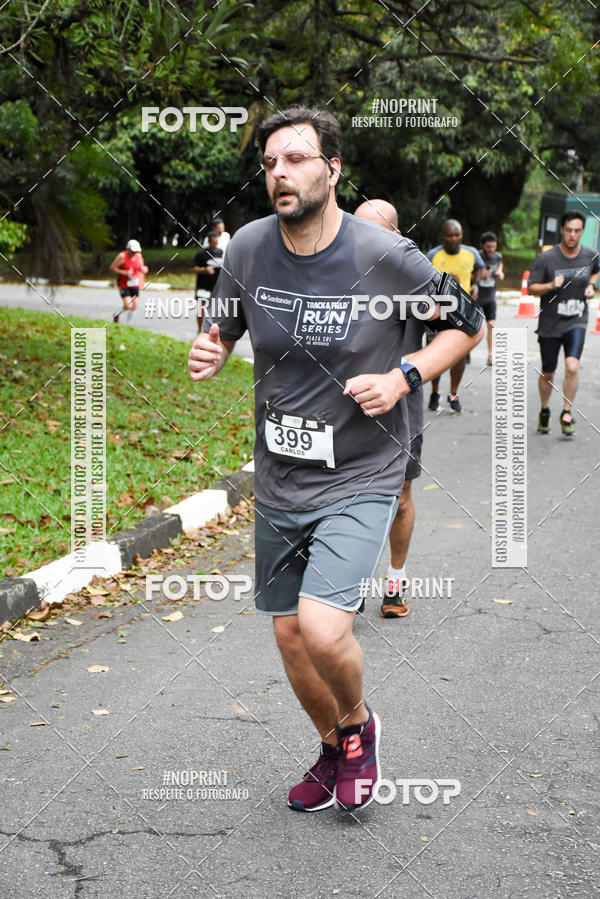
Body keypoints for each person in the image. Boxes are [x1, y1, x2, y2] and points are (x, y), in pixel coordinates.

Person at [188, 106, 483, 814]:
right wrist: (213, 347)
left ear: (333, 168)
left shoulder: (382, 254)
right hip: (281, 470)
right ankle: (336, 742)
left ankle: (360, 725)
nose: (279, 174)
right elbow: (224, 322)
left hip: (363, 468)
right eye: (268, 165)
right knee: (290, 634)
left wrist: (404, 376)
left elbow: (467, 324)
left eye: (294, 159)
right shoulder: (250, 247)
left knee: (322, 626)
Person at [354, 199, 422, 619]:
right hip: (344, 405)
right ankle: (350, 583)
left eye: (377, 232)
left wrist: (405, 379)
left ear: (396, 236)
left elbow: (459, 328)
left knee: (399, 497)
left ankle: (394, 584)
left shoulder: (414, 278)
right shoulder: (334, 271)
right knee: (346, 498)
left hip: (400, 407)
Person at [528, 211, 599, 436]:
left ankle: (567, 412)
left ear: (582, 232)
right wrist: (550, 284)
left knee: (572, 367)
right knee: (548, 372)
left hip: (576, 320)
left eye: (577, 230)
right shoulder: (546, 258)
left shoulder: (590, 255)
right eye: (568, 230)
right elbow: (531, 287)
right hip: (550, 323)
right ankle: (545, 409)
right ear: (562, 230)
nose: (572, 235)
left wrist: (591, 286)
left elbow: (595, 272)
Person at [426, 220, 484, 412]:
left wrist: (475, 284)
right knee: (435, 356)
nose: (453, 239)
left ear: (461, 235)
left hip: (463, 313)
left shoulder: (471, 253)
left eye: (457, 235)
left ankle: (453, 392)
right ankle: (435, 392)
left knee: (459, 357)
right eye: (449, 235)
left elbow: (479, 269)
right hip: (438, 314)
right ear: (443, 236)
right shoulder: (433, 255)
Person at [478, 231, 504, 365]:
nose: (491, 249)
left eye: (493, 246)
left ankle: (490, 355)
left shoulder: (498, 257)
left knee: (491, 325)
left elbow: (501, 271)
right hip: (475, 297)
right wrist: (481, 275)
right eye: (488, 246)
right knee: (472, 328)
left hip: (490, 297)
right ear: (482, 245)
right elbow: (469, 276)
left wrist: (500, 274)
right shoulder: (477, 256)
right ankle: (466, 353)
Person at [190, 230, 224, 333]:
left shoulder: (221, 252)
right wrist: (204, 269)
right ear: (208, 242)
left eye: (216, 242)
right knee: (202, 309)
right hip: (203, 286)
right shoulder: (201, 254)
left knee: (216, 310)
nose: (215, 244)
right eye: (213, 242)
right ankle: (199, 330)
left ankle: (212, 331)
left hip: (216, 286)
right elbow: (192, 269)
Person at [109, 239, 148, 325]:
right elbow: (112, 268)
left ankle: (128, 325)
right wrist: (124, 272)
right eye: (132, 251)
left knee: (134, 306)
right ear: (128, 249)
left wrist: (144, 269)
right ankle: (116, 313)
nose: (134, 253)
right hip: (124, 284)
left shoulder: (139, 256)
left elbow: (141, 267)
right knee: (128, 305)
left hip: (134, 283)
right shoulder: (122, 256)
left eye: (136, 251)